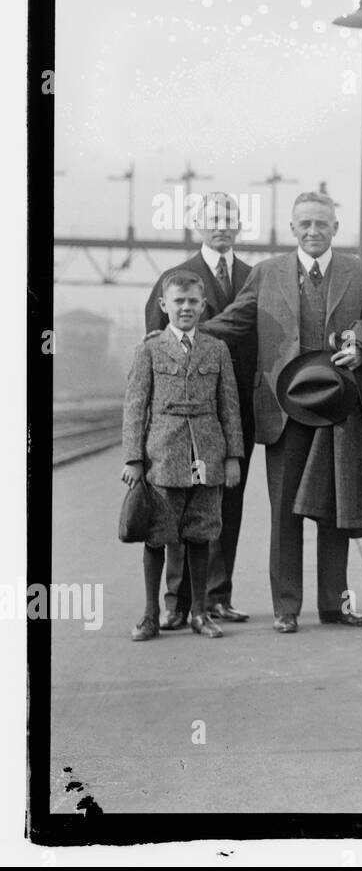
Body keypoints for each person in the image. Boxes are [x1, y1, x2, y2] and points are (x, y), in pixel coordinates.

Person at [201, 191, 362, 634]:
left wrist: (361, 346)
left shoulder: (360, 273)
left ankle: (334, 605)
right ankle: (286, 608)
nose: (314, 231)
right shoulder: (266, 272)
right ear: (293, 228)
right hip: (283, 411)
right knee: (285, 514)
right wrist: (182, 333)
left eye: (322, 224)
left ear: (336, 227)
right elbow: (235, 322)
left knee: (335, 508)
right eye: (305, 224)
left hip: (339, 408)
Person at [143, 191, 256, 627]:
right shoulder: (178, 276)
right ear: (197, 223)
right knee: (178, 506)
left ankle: (218, 598)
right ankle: (178, 603)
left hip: (233, 412)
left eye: (229, 217)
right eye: (213, 218)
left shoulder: (251, 276)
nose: (221, 225)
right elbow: (152, 346)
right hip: (180, 421)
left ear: (240, 224)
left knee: (227, 504)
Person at [122, 270, 243, 640]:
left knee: (201, 534)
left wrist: (233, 456)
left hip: (206, 455)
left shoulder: (216, 349)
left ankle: (199, 613)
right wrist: (133, 458)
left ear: (203, 306)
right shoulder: (149, 349)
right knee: (157, 536)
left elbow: (229, 406)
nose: (186, 308)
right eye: (179, 301)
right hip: (163, 456)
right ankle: (150, 615)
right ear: (164, 306)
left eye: (193, 302)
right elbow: (135, 406)